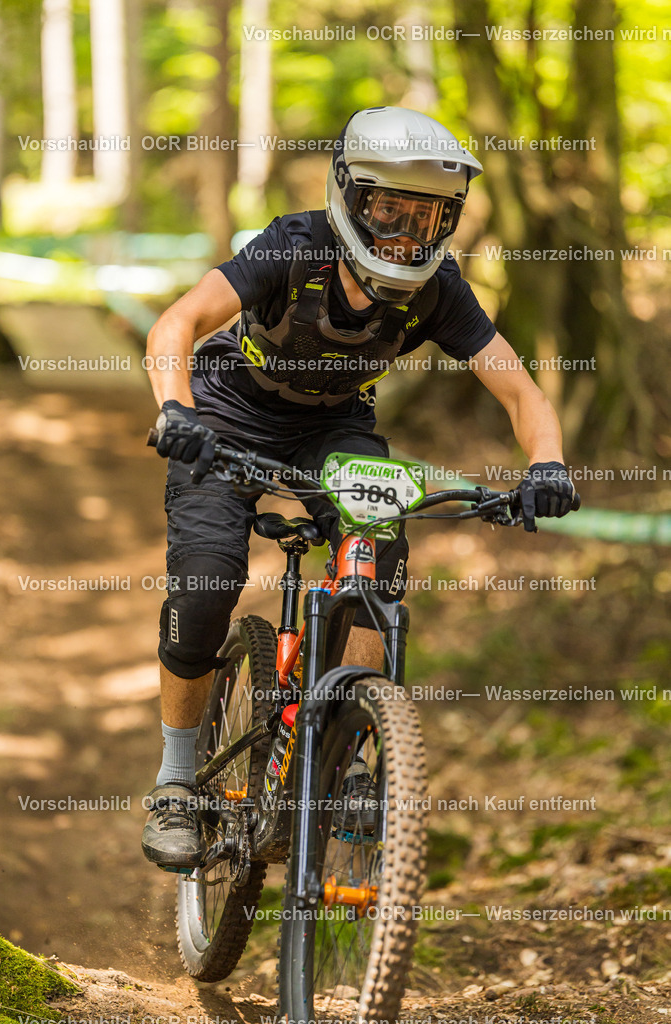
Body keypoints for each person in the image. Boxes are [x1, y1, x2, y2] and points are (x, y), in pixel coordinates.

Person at [141, 106, 575, 867]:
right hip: (224, 414)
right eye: (389, 208)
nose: (407, 230)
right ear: (349, 195)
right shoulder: (292, 246)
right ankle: (177, 781)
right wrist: (175, 411)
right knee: (207, 582)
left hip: (330, 428)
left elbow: (520, 394)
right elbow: (176, 324)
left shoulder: (437, 287)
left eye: (428, 214)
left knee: (376, 556)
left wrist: (546, 466)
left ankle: (351, 756)